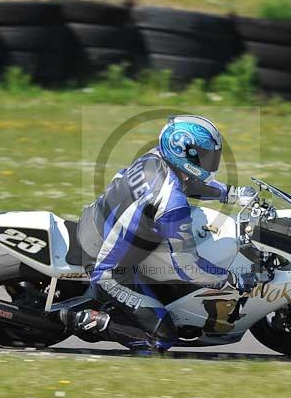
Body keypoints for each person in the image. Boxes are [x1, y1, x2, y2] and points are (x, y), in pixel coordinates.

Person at [62, 114, 257, 353]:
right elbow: (187, 267)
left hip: (93, 224)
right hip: (109, 271)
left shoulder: (154, 158)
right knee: (161, 338)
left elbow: (188, 182)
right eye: (205, 156)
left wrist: (232, 194)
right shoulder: (172, 203)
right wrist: (229, 279)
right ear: (183, 153)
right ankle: (86, 319)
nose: (210, 162)